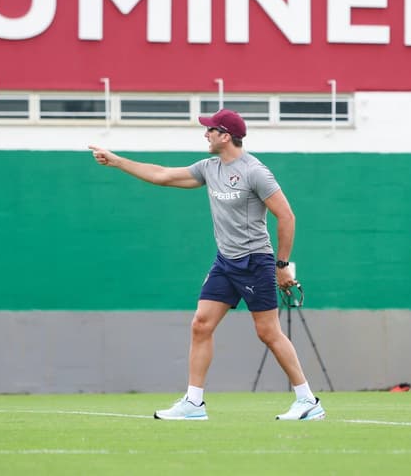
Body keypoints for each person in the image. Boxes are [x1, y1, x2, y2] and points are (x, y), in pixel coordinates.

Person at [89, 109, 325, 421]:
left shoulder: (255, 172)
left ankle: (308, 401)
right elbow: (163, 175)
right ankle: (194, 403)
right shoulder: (208, 168)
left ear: (225, 136)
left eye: (210, 130)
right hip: (225, 262)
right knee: (201, 324)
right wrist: (118, 161)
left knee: (268, 332)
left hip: (256, 261)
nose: (205, 134)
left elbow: (287, 216)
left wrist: (281, 265)